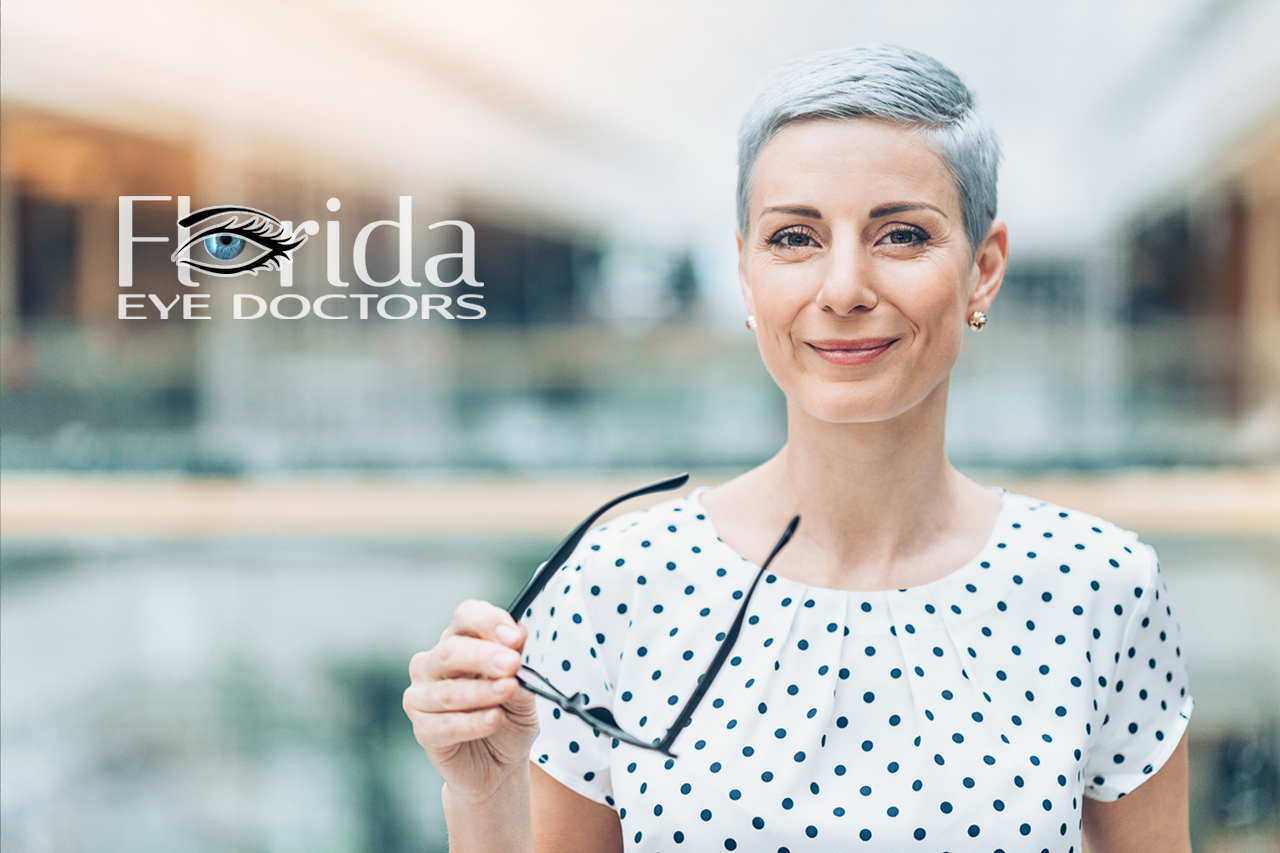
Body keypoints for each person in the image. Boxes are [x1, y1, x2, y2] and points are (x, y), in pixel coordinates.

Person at [402, 44, 1194, 852]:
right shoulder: (613, 587)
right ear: (746, 272)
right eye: (794, 239)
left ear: (984, 269)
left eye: (901, 234)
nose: (844, 288)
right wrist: (485, 797)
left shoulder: (1099, 587)